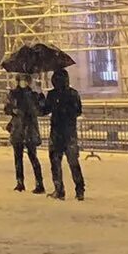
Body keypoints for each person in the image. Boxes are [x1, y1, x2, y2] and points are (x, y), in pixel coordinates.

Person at [43, 66, 85, 201]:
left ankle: (59, 189)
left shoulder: (52, 95)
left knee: (55, 162)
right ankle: (80, 189)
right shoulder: (74, 94)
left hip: (56, 132)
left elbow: (44, 110)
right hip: (70, 132)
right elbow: (78, 111)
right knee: (73, 162)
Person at [5, 76, 45, 194]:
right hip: (18, 129)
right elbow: (7, 108)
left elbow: (39, 110)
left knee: (33, 157)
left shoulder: (33, 95)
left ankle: (39, 183)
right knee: (18, 158)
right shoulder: (13, 94)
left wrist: (40, 98)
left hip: (28, 129)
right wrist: (13, 110)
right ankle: (20, 182)